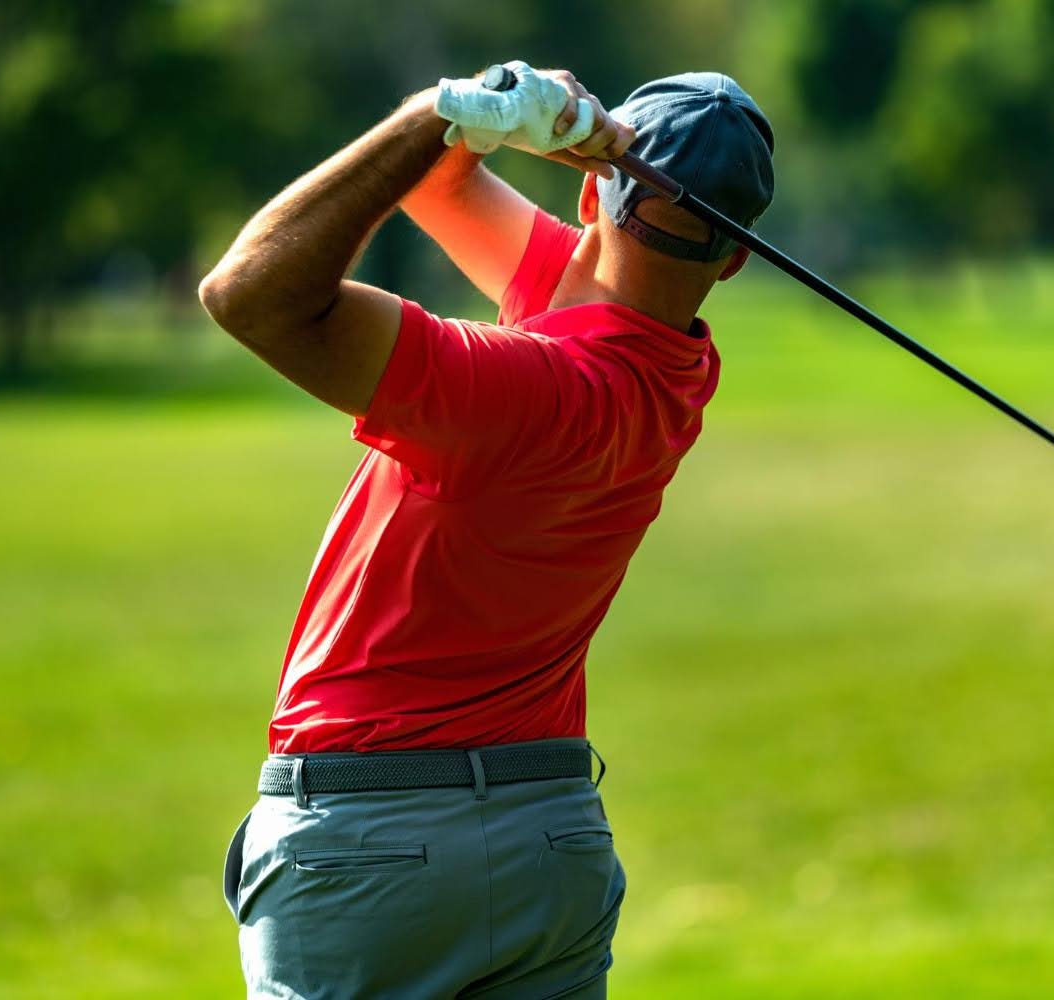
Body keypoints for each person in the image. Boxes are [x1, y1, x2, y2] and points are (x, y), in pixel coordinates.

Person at [199, 61, 775, 999]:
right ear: (736, 256)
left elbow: (248, 292)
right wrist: (468, 126)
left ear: (590, 189)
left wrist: (450, 109)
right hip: (550, 843)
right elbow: (440, 182)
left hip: (372, 852)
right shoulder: (674, 373)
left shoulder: (522, 389)